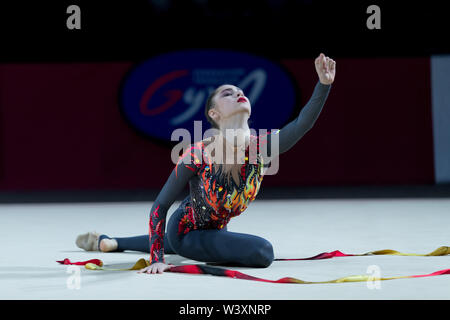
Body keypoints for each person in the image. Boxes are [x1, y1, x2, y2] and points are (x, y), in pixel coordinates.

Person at [76, 53, 336, 274]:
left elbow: (302, 124)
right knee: (262, 251)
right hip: (184, 231)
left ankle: (110, 243)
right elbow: (160, 206)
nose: (239, 93)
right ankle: (121, 243)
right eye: (228, 93)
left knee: (218, 242)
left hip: (209, 231)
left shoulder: (261, 147)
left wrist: (323, 84)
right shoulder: (198, 153)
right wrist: (157, 259)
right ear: (214, 113)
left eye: (241, 91)